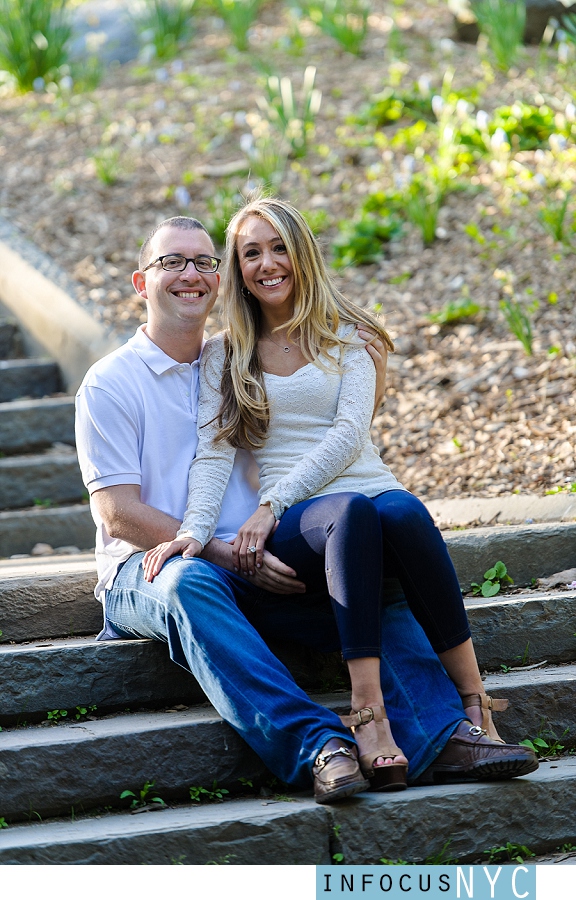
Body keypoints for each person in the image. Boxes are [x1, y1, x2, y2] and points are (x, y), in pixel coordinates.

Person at [75, 212, 537, 806]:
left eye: (203, 263)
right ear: (143, 283)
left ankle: (441, 735)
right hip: (156, 565)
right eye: (171, 262)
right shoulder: (111, 383)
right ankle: (320, 746)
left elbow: (326, 424)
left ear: (220, 282)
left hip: (262, 552)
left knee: (365, 564)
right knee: (189, 584)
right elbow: (116, 513)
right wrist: (216, 547)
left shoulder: (233, 354)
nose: (190, 274)